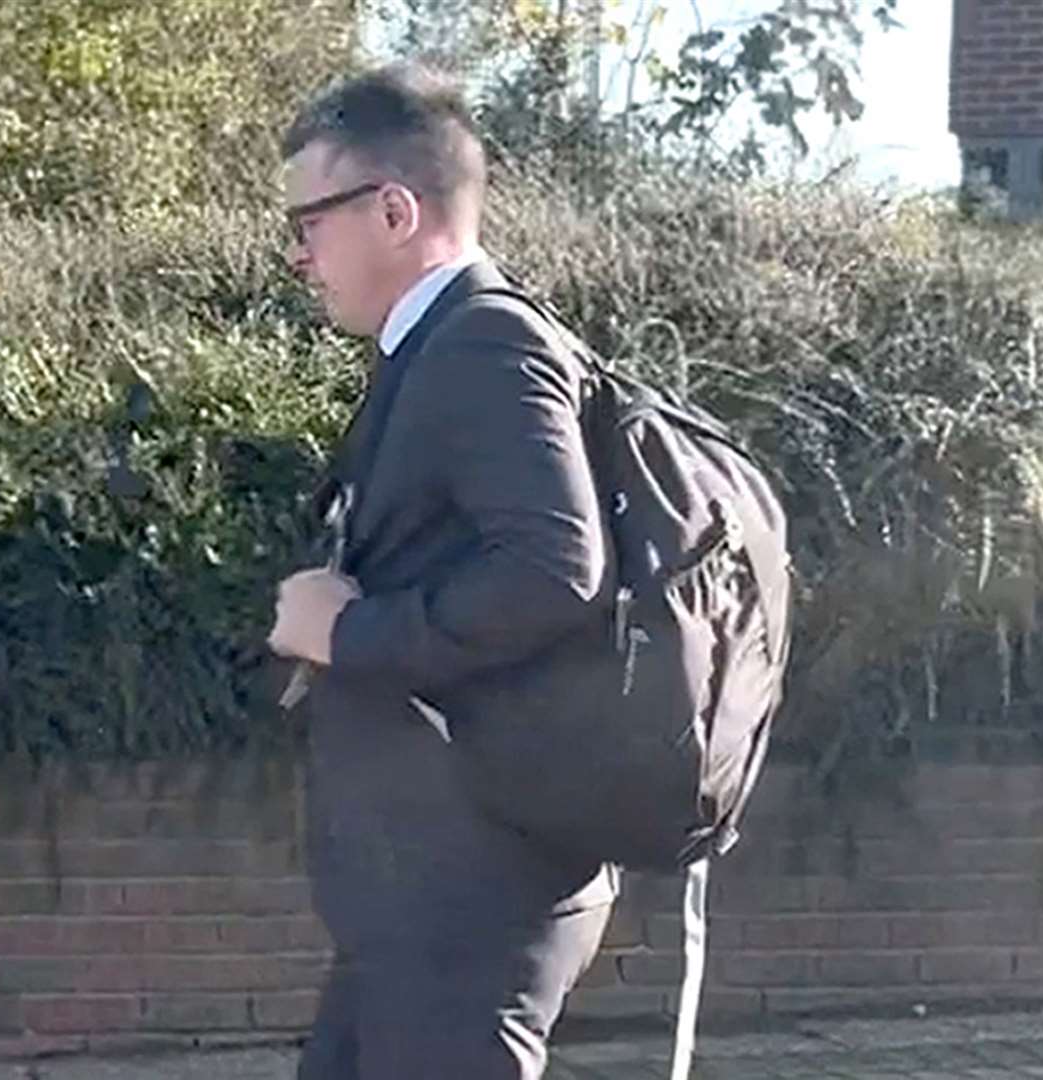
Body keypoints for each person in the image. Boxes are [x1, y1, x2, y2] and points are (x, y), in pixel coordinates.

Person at [266, 63, 619, 1080]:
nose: (299, 256)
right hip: (426, 896)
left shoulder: (483, 344)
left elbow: (556, 569)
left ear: (392, 209)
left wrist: (345, 632)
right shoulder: (435, 349)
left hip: (472, 899)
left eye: (308, 223)